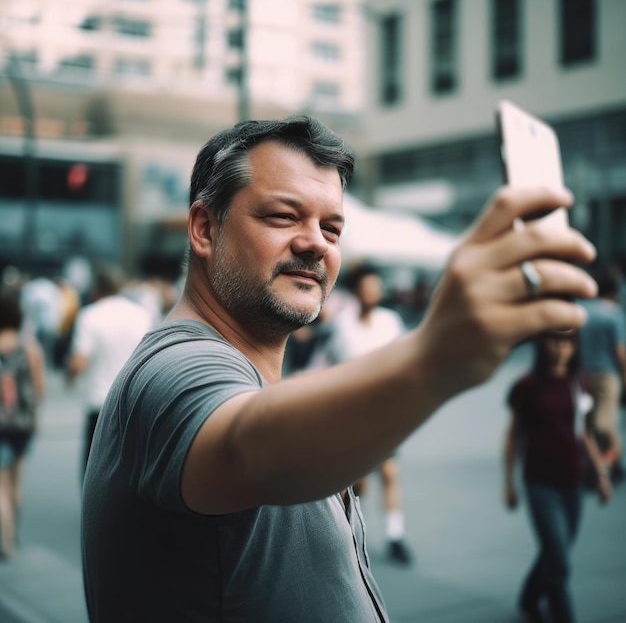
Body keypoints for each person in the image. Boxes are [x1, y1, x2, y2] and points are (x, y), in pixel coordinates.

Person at [81, 116, 598, 622]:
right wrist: (434, 355)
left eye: (332, 227)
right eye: (284, 216)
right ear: (204, 228)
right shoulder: (174, 365)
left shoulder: (243, 370)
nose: (316, 243)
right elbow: (247, 450)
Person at [503, 329, 611, 623]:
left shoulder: (579, 383)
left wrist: (600, 475)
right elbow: (513, 436)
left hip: (573, 481)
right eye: (556, 340)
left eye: (568, 341)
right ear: (543, 343)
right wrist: (509, 484)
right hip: (540, 482)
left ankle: (529, 596)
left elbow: (584, 434)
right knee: (560, 561)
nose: (562, 347)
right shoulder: (527, 386)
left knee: (556, 551)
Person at [323, 264, 412, 565]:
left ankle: (395, 535)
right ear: (357, 291)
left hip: (386, 412)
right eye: (367, 286)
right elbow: (333, 365)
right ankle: (348, 528)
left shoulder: (390, 321)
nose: (373, 291)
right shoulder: (343, 324)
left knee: (389, 472)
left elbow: (403, 360)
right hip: (353, 413)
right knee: (359, 481)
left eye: (376, 286)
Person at [66, 264, 152, 480]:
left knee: (94, 473)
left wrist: (70, 377)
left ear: (97, 288)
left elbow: (78, 363)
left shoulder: (89, 315)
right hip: (134, 402)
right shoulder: (141, 314)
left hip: (100, 403)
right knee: (131, 471)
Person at [0, 289, 45, 559]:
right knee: (16, 481)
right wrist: (35, 417)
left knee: (1, 485)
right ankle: (13, 532)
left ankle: (5, 544)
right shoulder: (29, 347)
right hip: (24, 425)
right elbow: (39, 388)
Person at [578, 266, 626, 483]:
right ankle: (609, 463)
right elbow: (620, 351)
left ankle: (599, 465)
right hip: (608, 376)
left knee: (590, 423)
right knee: (605, 424)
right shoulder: (614, 312)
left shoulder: (581, 310)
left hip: (584, 375)